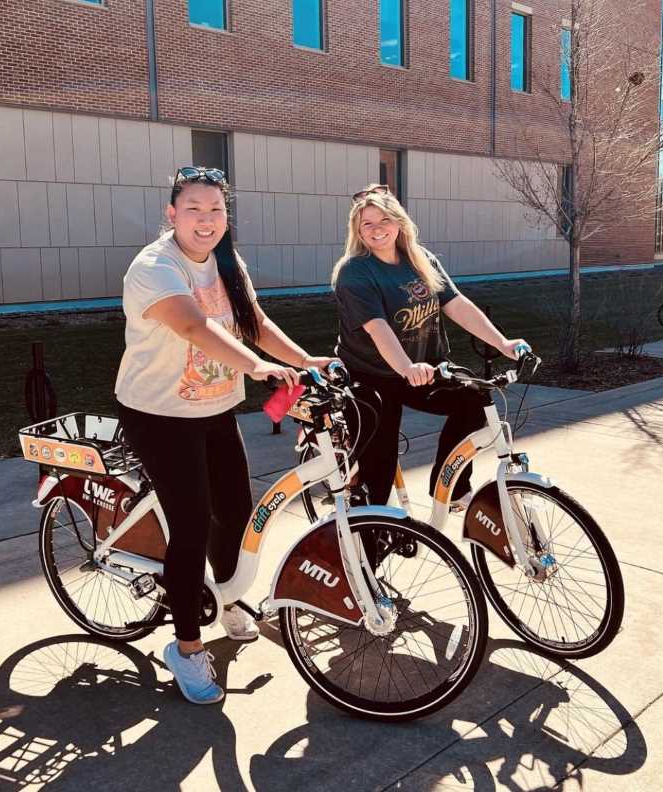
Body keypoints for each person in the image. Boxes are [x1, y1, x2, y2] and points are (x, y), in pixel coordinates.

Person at [115, 166, 335, 705]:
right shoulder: (153, 267)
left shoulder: (227, 261)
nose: (206, 220)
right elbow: (194, 326)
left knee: (235, 510)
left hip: (214, 409)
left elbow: (252, 321)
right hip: (160, 413)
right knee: (191, 525)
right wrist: (258, 368)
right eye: (193, 209)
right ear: (171, 214)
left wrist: (303, 359)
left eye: (215, 210)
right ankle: (186, 649)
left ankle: (229, 597)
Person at [332, 184, 529, 510]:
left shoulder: (421, 260)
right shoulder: (354, 272)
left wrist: (503, 343)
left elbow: (456, 305)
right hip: (372, 377)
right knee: (377, 476)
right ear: (357, 231)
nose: (377, 229)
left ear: (399, 222)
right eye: (367, 224)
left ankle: (448, 483)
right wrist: (406, 368)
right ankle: (366, 546)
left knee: (473, 401)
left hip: (422, 368)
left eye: (384, 220)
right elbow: (378, 329)